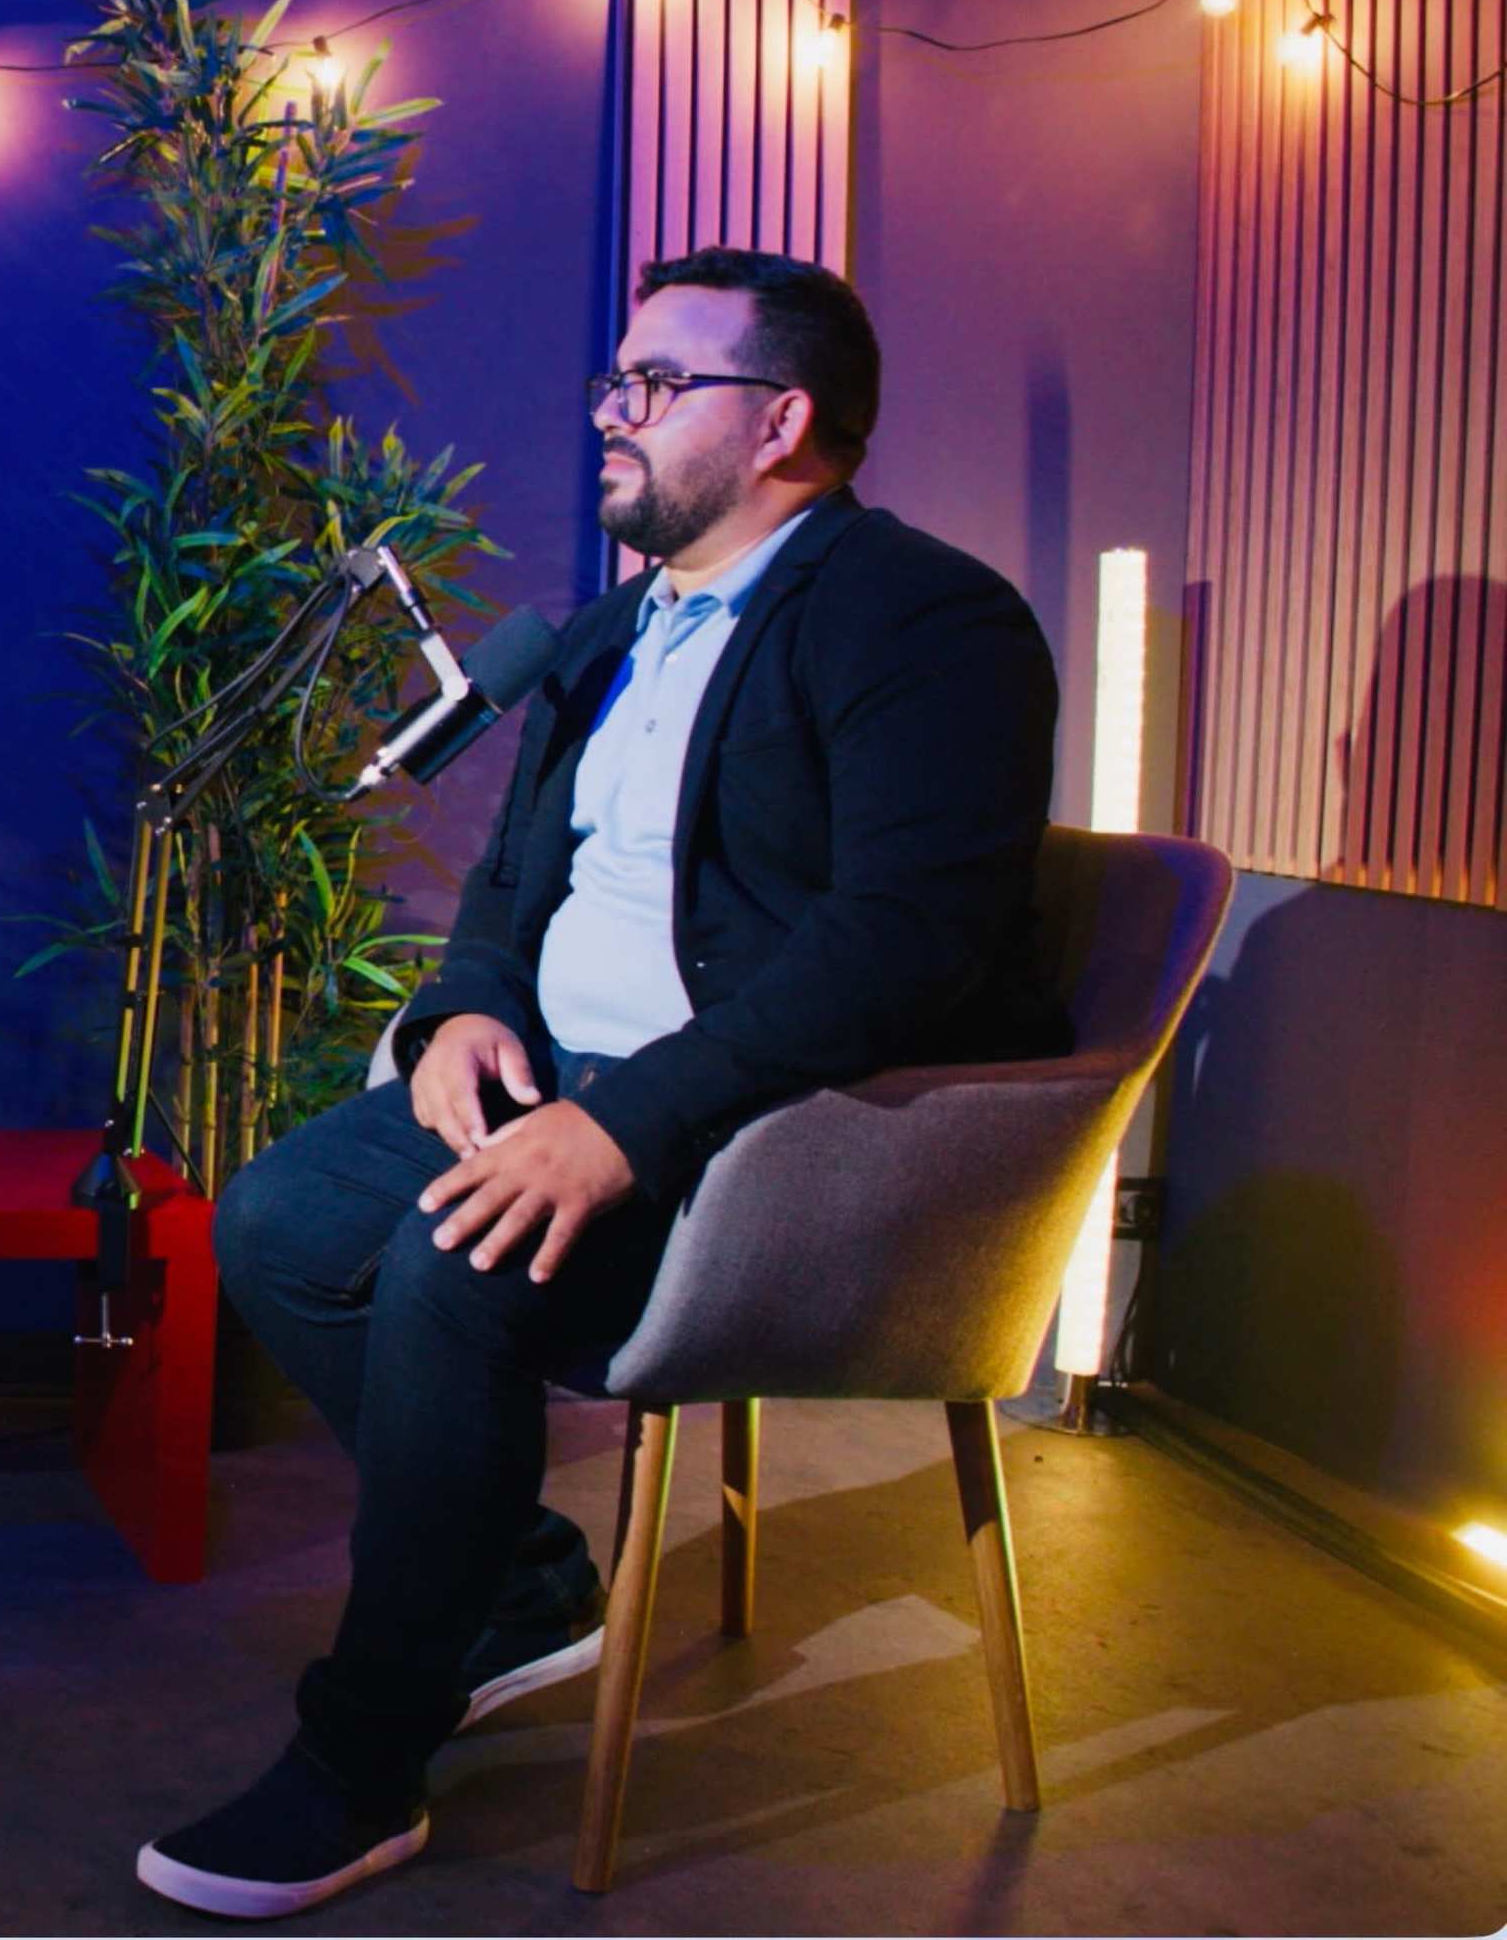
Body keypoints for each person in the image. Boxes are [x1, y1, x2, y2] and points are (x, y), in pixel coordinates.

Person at [136, 250, 1065, 1915]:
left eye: (655, 387)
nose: (610, 421)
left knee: (448, 1262)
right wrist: (467, 1015)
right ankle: (524, 1580)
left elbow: (902, 946)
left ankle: (362, 1758)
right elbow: (511, 890)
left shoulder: (922, 621)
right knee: (274, 1219)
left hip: (772, 1136)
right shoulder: (611, 628)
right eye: (611, 385)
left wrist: (621, 1121)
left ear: (782, 421)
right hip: (562, 1078)